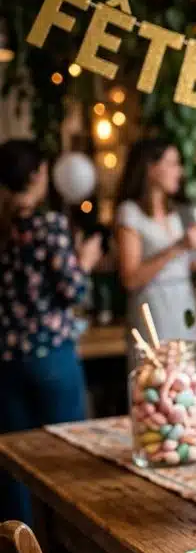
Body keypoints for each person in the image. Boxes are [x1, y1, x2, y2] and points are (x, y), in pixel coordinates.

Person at [0, 140, 102, 523]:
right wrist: (86, 260)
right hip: (51, 359)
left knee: (13, 468)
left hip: (6, 360)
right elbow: (72, 289)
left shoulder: (4, 229)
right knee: (65, 464)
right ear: (37, 175)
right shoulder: (48, 225)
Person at [116, 139, 196, 346]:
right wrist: (180, 246)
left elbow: (181, 264)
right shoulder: (130, 213)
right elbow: (130, 278)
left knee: (189, 371)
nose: (179, 171)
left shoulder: (173, 212)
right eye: (173, 163)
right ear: (151, 168)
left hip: (184, 303)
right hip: (154, 308)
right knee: (160, 372)